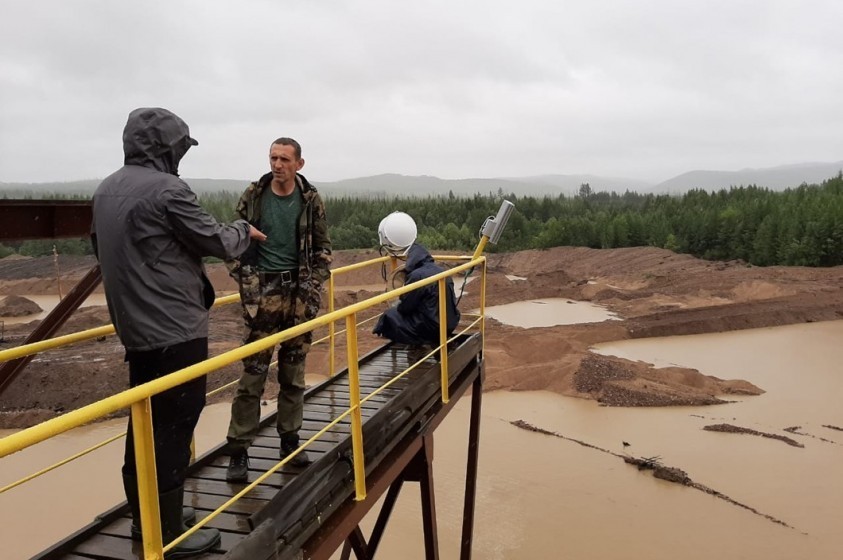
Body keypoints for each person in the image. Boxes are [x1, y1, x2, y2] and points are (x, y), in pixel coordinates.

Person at [91, 107, 264, 556]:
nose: (182, 158)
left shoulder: (106, 189)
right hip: (175, 330)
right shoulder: (168, 190)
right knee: (174, 424)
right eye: (180, 148)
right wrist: (244, 229)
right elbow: (218, 241)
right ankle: (167, 534)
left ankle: (146, 518)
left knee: (143, 423)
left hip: (136, 329)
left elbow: (103, 247)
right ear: (167, 148)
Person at [225, 137, 332, 482]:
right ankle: (239, 451)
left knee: (293, 373)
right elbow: (231, 240)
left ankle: (290, 442)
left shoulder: (310, 199)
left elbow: (323, 248)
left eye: (285, 159)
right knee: (253, 374)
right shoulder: (254, 196)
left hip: (299, 293)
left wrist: (313, 286)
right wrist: (246, 279)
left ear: (299, 164)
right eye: (273, 157)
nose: (277, 164)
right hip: (263, 293)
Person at [372, 212, 461, 353]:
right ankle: (438, 342)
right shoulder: (441, 271)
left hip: (432, 328)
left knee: (389, 316)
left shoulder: (416, 277)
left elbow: (405, 308)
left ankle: (419, 345)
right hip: (450, 324)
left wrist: (398, 302)